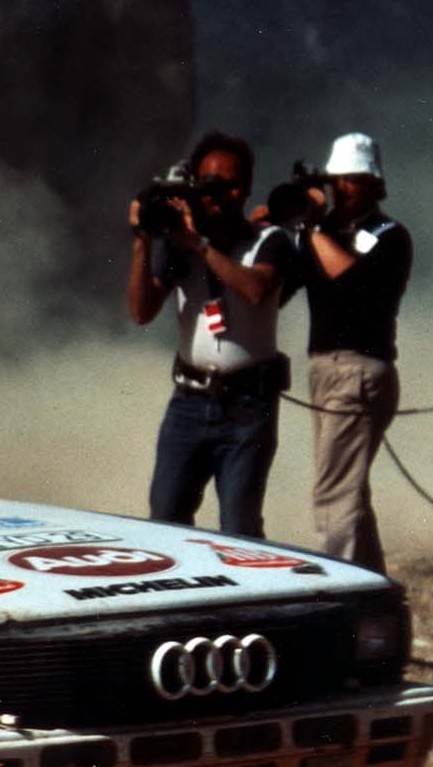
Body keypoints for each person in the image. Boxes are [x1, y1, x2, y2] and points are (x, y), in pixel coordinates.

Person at [127, 129, 305, 537]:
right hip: (188, 401)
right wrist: (142, 243)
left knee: (240, 527)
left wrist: (201, 244)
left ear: (243, 190)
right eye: (205, 186)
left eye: (223, 187)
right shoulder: (179, 244)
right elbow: (141, 311)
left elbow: (257, 290)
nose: (213, 197)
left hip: (247, 405)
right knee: (166, 519)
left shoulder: (269, 241)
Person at [301, 132, 411, 573]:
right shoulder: (321, 234)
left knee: (334, 496)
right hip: (324, 368)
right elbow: (277, 286)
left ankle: (337, 595)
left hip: (359, 370)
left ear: (374, 184)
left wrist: (308, 228)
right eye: (337, 179)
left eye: (354, 179)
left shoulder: (391, 236)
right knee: (350, 493)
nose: (342, 188)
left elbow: (350, 281)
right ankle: (371, 595)